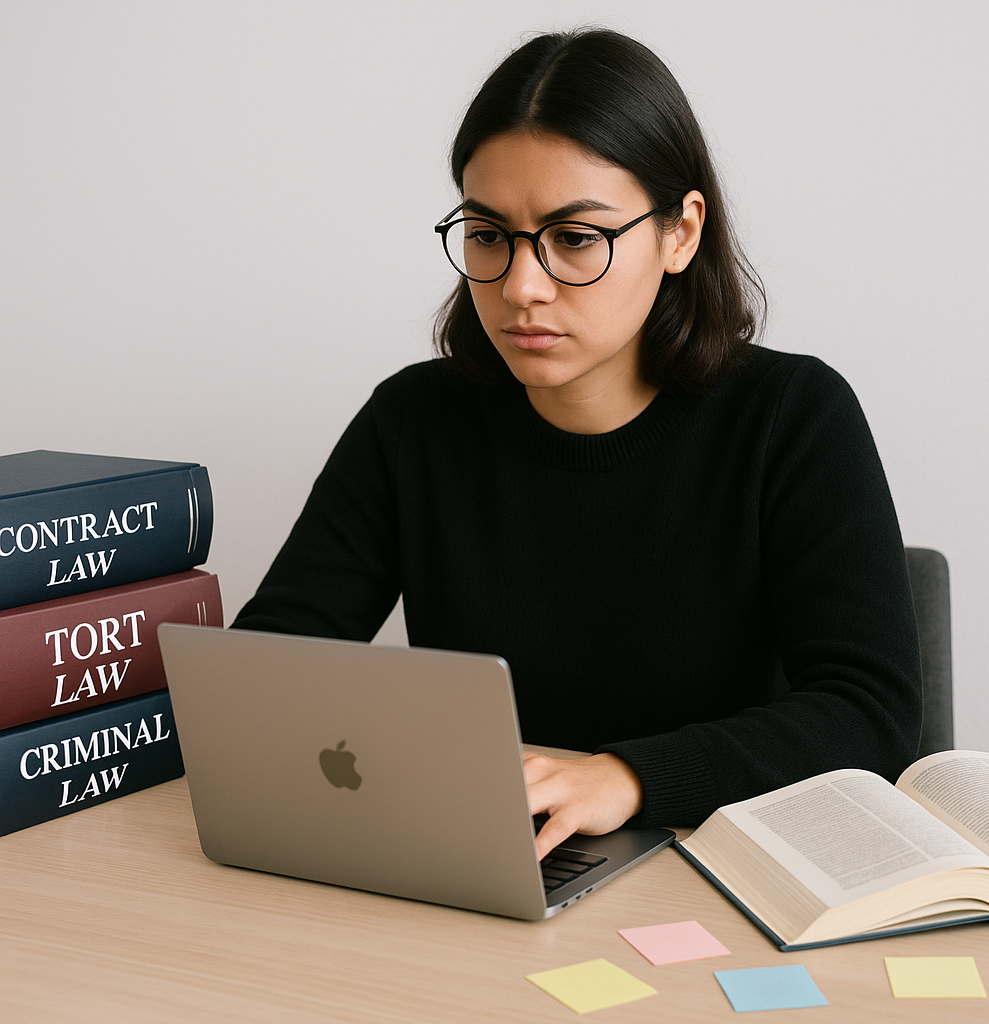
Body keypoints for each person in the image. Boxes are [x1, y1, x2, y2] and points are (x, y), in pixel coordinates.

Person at [232, 28, 923, 860]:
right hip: (489, 861)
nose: (522, 286)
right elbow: (266, 672)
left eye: (575, 239)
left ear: (680, 233)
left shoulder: (792, 416)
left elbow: (868, 714)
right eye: (489, 235)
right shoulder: (412, 423)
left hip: (718, 869)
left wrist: (623, 777)